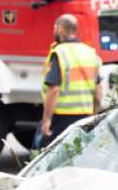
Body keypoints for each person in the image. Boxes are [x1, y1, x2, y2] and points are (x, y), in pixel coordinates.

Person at [39, 14, 102, 148]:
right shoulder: (90, 53)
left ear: (60, 29)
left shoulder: (59, 53)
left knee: (56, 157)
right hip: (85, 115)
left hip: (62, 117)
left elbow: (54, 90)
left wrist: (46, 120)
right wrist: (94, 116)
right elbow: (98, 91)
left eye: (55, 28)